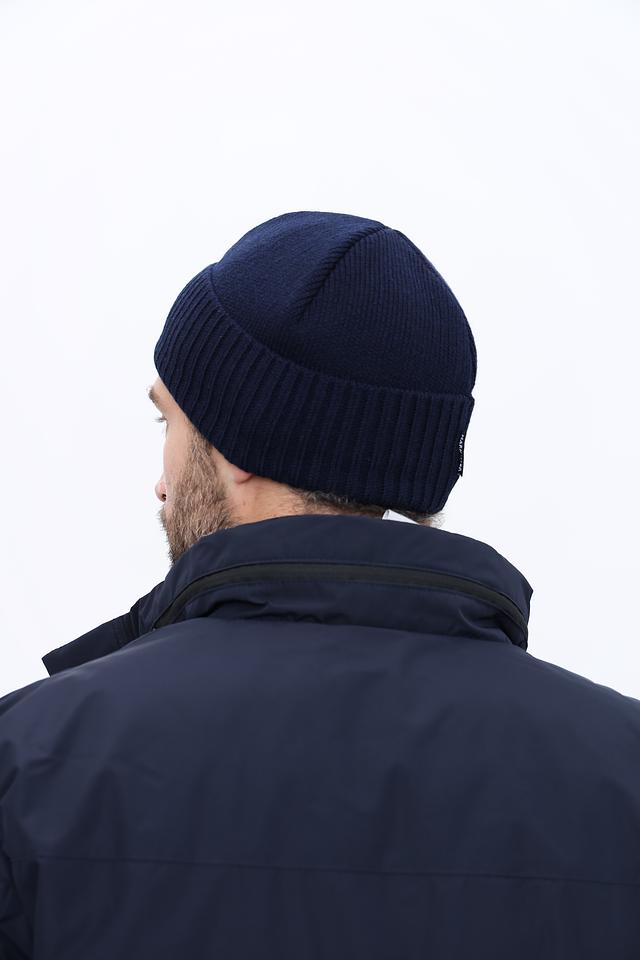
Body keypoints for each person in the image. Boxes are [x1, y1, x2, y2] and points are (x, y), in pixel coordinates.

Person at [1, 211, 638, 959]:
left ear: (237, 440)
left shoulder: (32, 766)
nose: (161, 486)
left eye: (166, 422)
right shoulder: (622, 774)